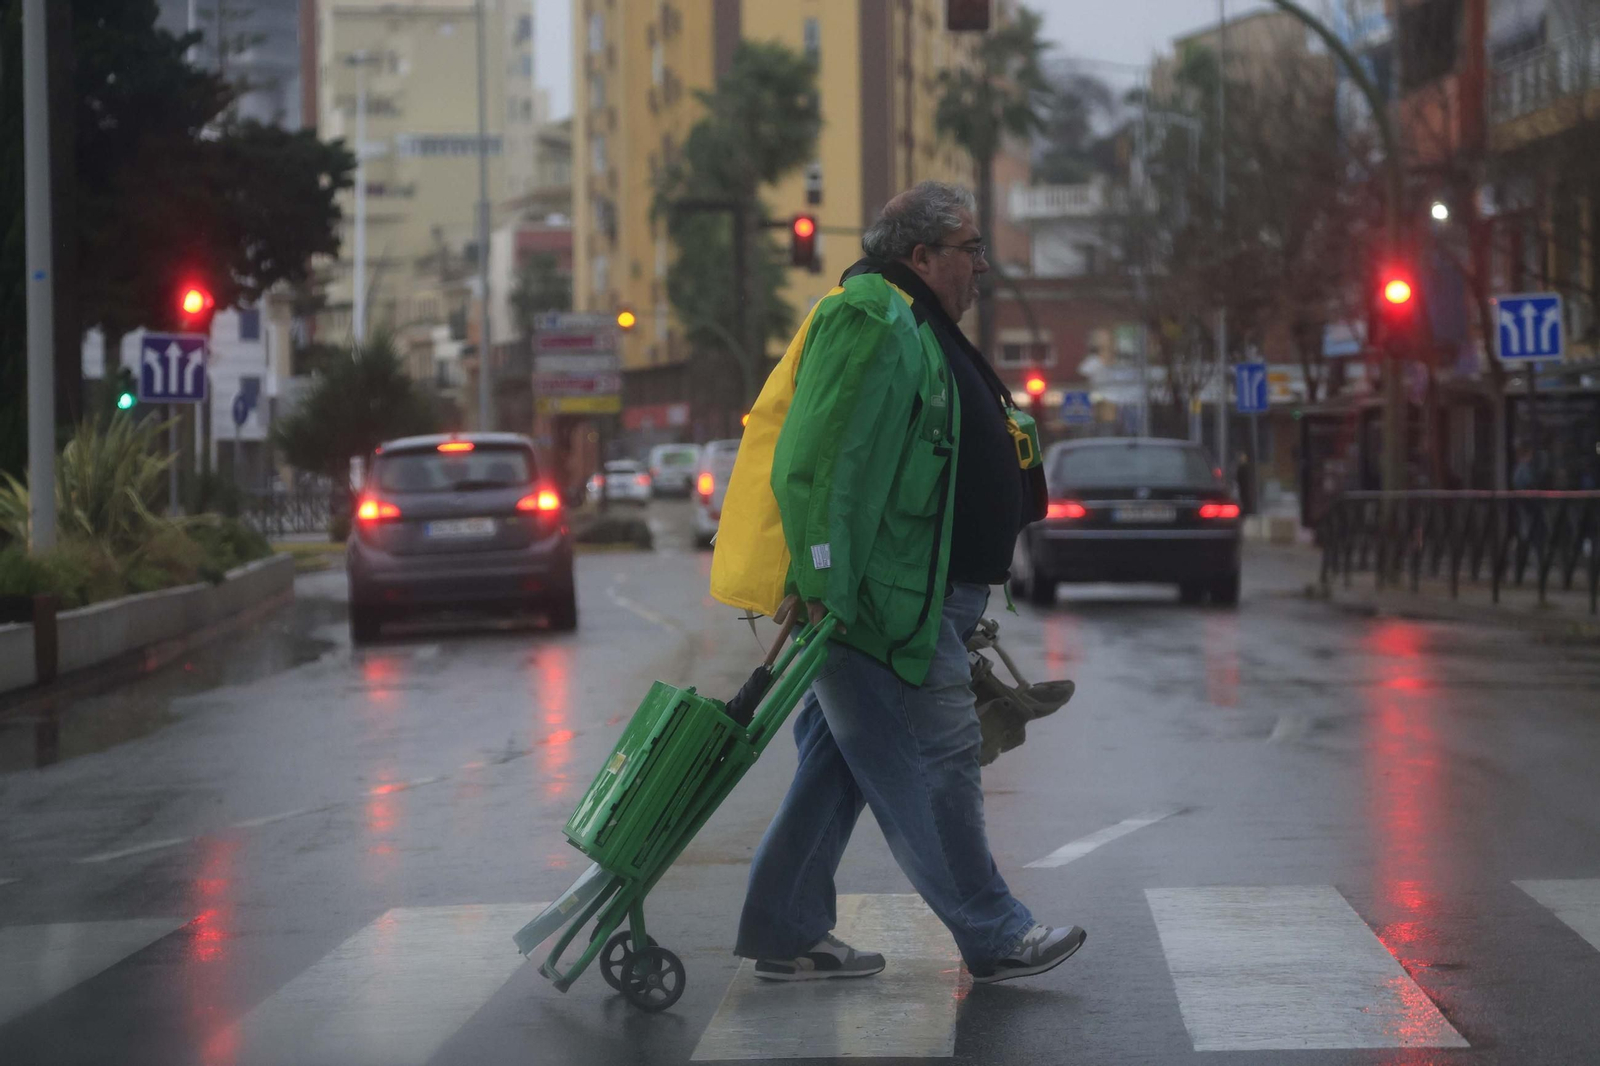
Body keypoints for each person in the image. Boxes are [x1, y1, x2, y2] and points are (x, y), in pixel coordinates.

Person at [710, 181, 1086, 985]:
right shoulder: (871, 318)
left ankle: (783, 926)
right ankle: (996, 933)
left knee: (838, 767)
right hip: (879, 608)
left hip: (909, 600)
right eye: (971, 250)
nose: (981, 266)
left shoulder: (914, 320)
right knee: (936, 763)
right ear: (922, 255)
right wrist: (824, 584)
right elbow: (819, 466)